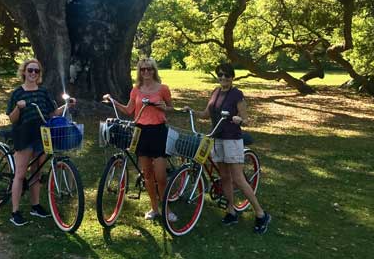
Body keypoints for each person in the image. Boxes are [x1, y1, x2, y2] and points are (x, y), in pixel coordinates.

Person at [191, 62, 271, 234]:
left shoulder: (237, 94)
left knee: (238, 178)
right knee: (224, 177)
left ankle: (260, 214)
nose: (223, 78)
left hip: (232, 140)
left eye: (226, 75)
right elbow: (206, 114)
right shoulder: (215, 92)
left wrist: (239, 119)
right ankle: (231, 210)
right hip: (217, 138)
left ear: (232, 77)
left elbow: (246, 119)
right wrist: (191, 111)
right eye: (220, 75)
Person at [6, 58, 76, 226]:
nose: (33, 73)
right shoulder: (18, 93)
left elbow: (52, 114)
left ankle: (35, 206)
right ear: (24, 72)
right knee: (20, 174)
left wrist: (66, 106)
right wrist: (18, 107)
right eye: (30, 70)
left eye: (36, 71)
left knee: (36, 171)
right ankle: (15, 212)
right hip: (24, 134)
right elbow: (12, 118)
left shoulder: (44, 92)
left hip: (42, 134)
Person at [104, 57, 175, 221]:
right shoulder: (136, 90)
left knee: (161, 177)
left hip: (158, 132)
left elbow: (171, 109)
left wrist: (164, 107)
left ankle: (167, 209)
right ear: (139, 72)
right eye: (143, 69)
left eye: (149, 69)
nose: (146, 72)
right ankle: (154, 208)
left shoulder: (163, 88)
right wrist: (113, 101)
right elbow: (129, 110)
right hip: (141, 132)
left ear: (154, 70)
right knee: (148, 175)